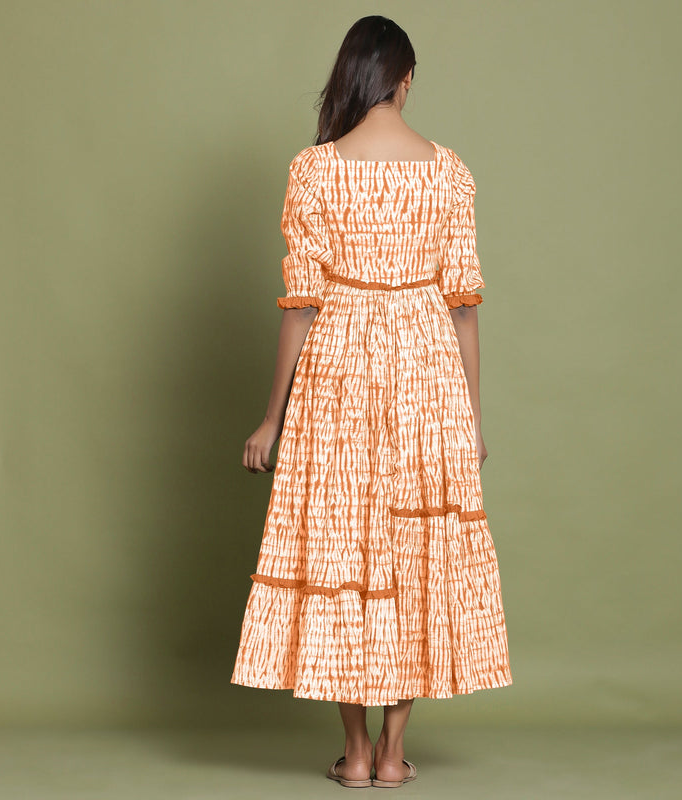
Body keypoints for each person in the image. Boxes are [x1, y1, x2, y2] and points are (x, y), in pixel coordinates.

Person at [230, 15, 512, 789]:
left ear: (353, 75)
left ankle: (352, 754)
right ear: (408, 78)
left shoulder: (316, 169)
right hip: (428, 378)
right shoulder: (449, 171)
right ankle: (393, 755)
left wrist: (271, 416)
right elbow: (464, 305)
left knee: (344, 549)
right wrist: (474, 420)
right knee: (416, 555)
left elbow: (300, 303)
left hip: (339, 376)